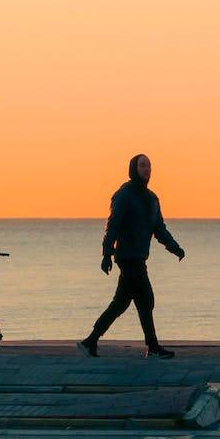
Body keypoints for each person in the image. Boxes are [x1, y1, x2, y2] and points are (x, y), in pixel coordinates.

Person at [79, 153, 184, 359]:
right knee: (146, 298)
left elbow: (159, 229)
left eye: (149, 166)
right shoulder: (124, 195)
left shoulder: (152, 198)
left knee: (121, 302)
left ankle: (90, 342)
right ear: (133, 169)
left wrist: (174, 247)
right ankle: (153, 348)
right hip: (127, 257)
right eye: (142, 165)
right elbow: (113, 225)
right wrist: (107, 253)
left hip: (139, 256)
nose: (147, 169)